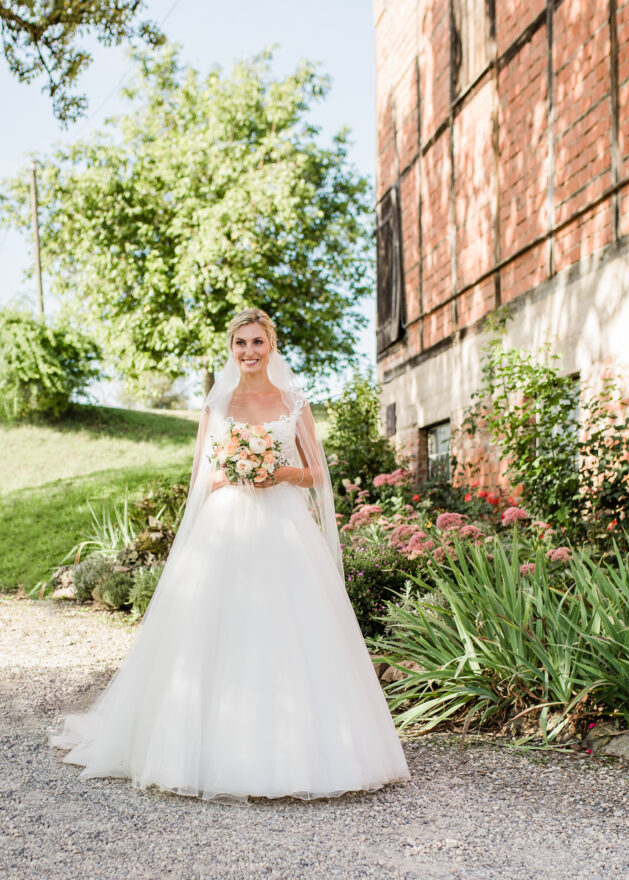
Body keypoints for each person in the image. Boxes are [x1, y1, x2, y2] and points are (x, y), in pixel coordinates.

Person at [50, 308, 411, 802]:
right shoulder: (216, 405)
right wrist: (237, 471)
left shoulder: (292, 401)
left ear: (271, 345)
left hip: (284, 529)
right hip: (225, 530)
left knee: (293, 628)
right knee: (216, 628)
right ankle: (204, 749)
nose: (248, 352)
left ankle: (310, 753)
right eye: (240, 343)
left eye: (257, 342)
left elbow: (316, 474)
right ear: (231, 348)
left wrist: (278, 473)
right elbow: (202, 477)